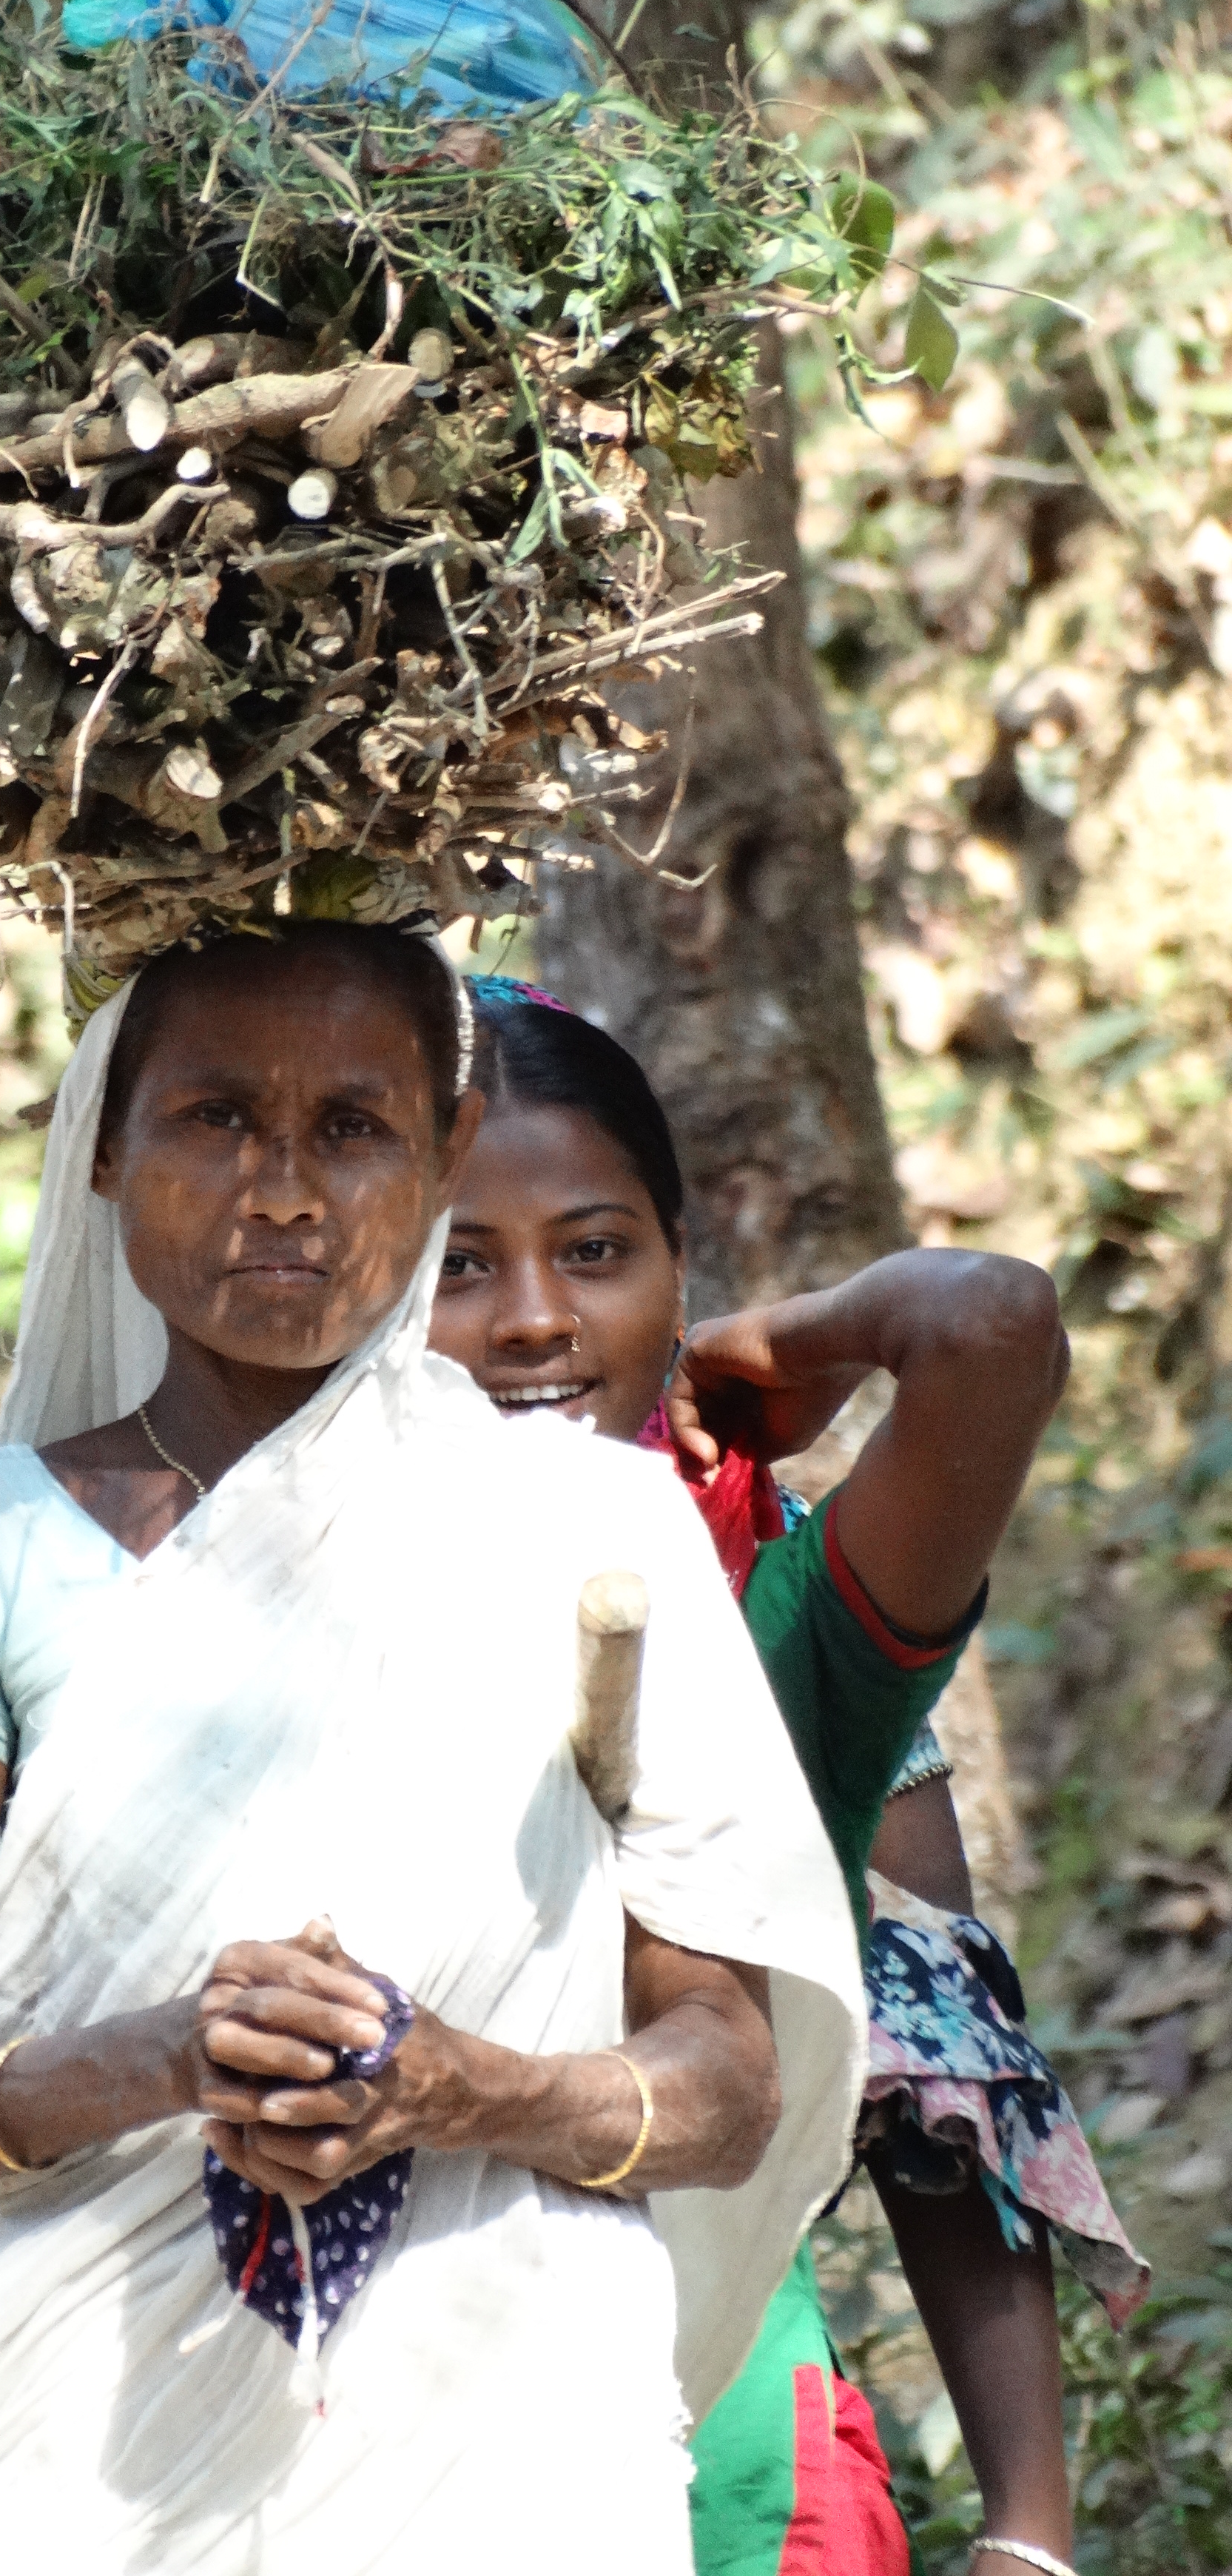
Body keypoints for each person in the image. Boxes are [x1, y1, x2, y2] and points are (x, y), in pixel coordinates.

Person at [0, 923, 867, 2576]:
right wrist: (161, 2058)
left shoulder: (596, 1531)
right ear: (104, 1156)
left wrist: (463, 2088)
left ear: (436, 1162)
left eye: (351, 1129)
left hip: (513, 2458)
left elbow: (722, 2083)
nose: (283, 1189)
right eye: (216, 1119)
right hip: (76, 2463)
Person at [429, 975, 1148, 2576]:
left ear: (678, 1267)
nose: (535, 1315)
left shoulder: (766, 1631)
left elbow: (991, 1325)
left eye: (598, 1250)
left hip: (720, 2477)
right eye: (454, 1265)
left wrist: (787, 1348)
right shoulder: (217, 1619)